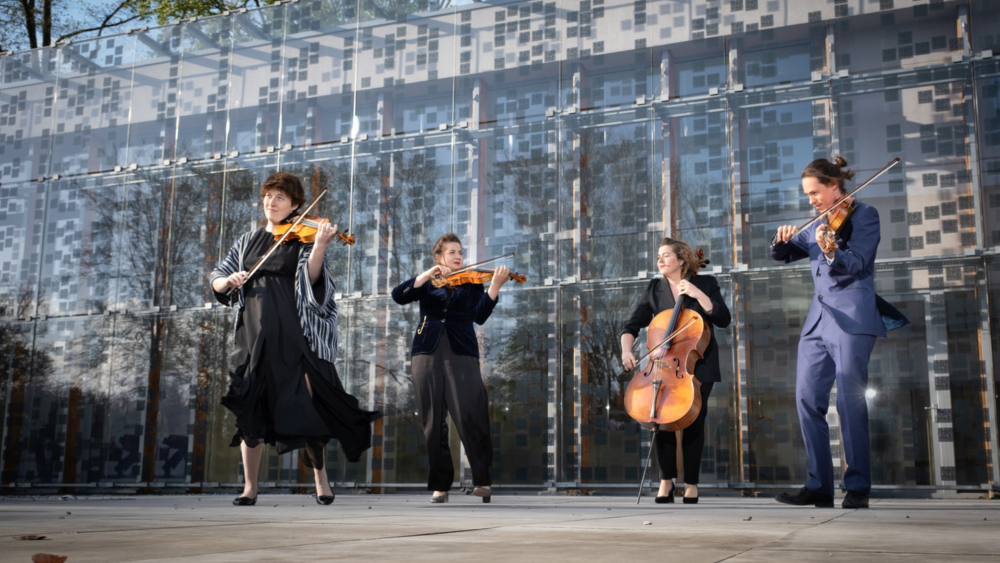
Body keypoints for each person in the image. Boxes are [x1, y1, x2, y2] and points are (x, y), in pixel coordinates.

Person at [210, 171, 379, 506]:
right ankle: (249, 488)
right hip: (254, 334)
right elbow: (217, 276)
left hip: (296, 334)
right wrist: (228, 281)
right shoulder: (248, 241)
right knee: (251, 409)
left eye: (280, 198)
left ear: (296, 205)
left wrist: (318, 244)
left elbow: (313, 279)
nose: (271, 202)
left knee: (308, 406)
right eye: (269, 196)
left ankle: (321, 481)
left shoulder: (303, 237)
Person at [771, 157, 907, 509]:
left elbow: (859, 263)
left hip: (851, 317)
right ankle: (819, 485)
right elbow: (783, 254)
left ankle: (858, 486)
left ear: (835, 185)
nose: (811, 200)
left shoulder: (864, 215)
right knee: (806, 399)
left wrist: (832, 248)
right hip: (817, 322)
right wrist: (781, 239)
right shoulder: (817, 222)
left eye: (815, 192)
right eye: (807, 194)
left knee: (849, 401)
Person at [391, 234, 510, 503]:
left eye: (460, 252)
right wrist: (425, 275)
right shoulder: (428, 282)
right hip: (426, 351)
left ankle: (482, 480)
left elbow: (479, 315)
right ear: (440, 257)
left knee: (471, 414)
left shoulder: (470, 282)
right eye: (451, 252)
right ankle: (441, 485)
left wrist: (495, 287)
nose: (458, 256)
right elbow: (399, 296)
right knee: (432, 422)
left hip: (461, 352)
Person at [621, 237, 731, 504]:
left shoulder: (705, 283)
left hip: (697, 364)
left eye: (666, 255)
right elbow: (631, 326)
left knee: (693, 420)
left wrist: (697, 294)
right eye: (658, 256)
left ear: (681, 260)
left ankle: (691, 484)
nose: (660, 260)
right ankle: (666, 481)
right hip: (662, 365)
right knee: (660, 418)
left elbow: (723, 319)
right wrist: (626, 350)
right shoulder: (654, 288)